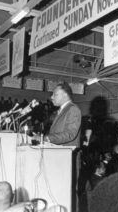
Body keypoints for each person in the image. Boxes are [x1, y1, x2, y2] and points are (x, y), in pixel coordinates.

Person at [44, 81, 82, 212]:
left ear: (65, 95)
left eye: (55, 94)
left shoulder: (73, 109)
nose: (52, 97)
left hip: (68, 158)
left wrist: (47, 138)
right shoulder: (61, 111)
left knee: (70, 191)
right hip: (60, 158)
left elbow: (70, 134)